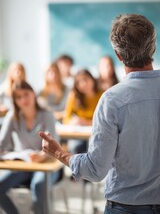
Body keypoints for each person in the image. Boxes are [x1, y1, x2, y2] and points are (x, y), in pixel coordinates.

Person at [39, 14, 160, 214]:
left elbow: (96, 170)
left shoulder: (112, 100)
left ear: (118, 55)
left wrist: (59, 153)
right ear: (153, 47)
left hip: (125, 207)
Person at [0, 81, 61, 214]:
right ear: (15, 101)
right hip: (24, 165)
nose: (23, 99)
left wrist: (42, 155)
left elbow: (54, 146)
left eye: (26, 94)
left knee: (38, 185)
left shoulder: (47, 114)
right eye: (18, 97)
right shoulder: (12, 116)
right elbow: (1, 143)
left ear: (33, 93)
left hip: (46, 165)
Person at [63, 69, 103, 153]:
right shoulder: (74, 96)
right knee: (75, 146)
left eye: (85, 79)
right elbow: (65, 119)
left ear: (92, 79)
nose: (83, 84)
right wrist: (73, 122)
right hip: (79, 135)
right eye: (78, 82)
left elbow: (105, 120)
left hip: (98, 133)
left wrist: (85, 122)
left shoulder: (102, 95)